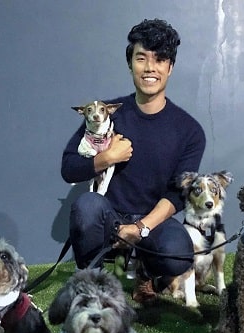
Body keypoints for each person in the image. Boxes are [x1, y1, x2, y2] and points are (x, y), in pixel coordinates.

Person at [61, 18, 206, 305]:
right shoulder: (105, 113)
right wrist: (106, 157)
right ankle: (92, 281)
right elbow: (68, 168)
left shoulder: (189, 130)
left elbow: (177, 195)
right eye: (141, 58)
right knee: (86, 206)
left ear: (170, 67)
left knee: (178, 253)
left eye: (160, 59)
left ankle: (146, 273)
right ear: (130, 64)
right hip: (109, 216)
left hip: (152, 220)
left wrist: (141, 228)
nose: (150, 67)